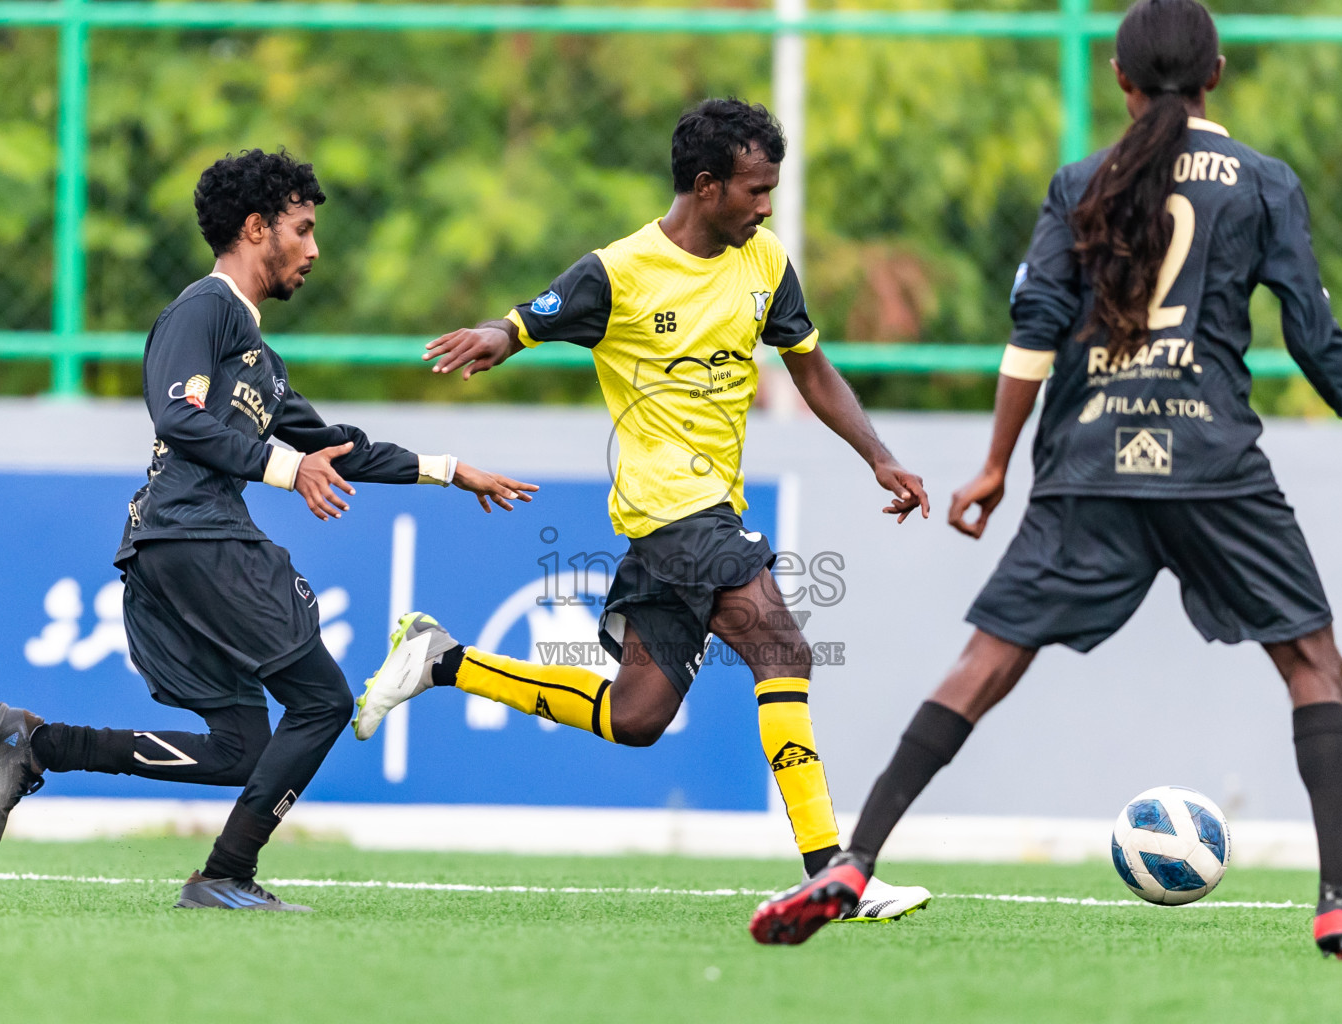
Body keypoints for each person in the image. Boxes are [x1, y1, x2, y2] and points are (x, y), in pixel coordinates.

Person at [749, 0, 1342, 958]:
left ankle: (852, 862)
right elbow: (1312, 332)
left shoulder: (1083, 182)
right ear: (1217, 74)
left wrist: (993, 465)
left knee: (983, 666)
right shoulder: (1262, 182)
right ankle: (1337, 901)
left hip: (1089, 463)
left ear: (1117, 80)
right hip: (1213, 464)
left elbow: (1031, 338)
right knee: (1313, 666)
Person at [353, 98, 934, 921]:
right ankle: (831, 874)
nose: (767, 206)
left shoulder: (764, 262)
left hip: (696, 516)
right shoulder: (617, 272)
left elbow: (809, 366)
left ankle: (442, 660)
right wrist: (492, 336)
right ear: (706, 187)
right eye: (755, 190)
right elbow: (526, 320)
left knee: (636, 717)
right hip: (673, 509)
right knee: (784, 651)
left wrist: (879, 455)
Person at [0, 149, 536, 911]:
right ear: (255, 228)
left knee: (241, 750)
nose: (314, 250)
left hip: (177, 549)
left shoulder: (260, 362)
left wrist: (447, 469)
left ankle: (36, 743)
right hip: (194, 537)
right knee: (324, 702)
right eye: (302, 230)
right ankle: (225, 875)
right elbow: (179, 415)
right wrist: (285, 470)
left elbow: (336, 445)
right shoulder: (202, 310)